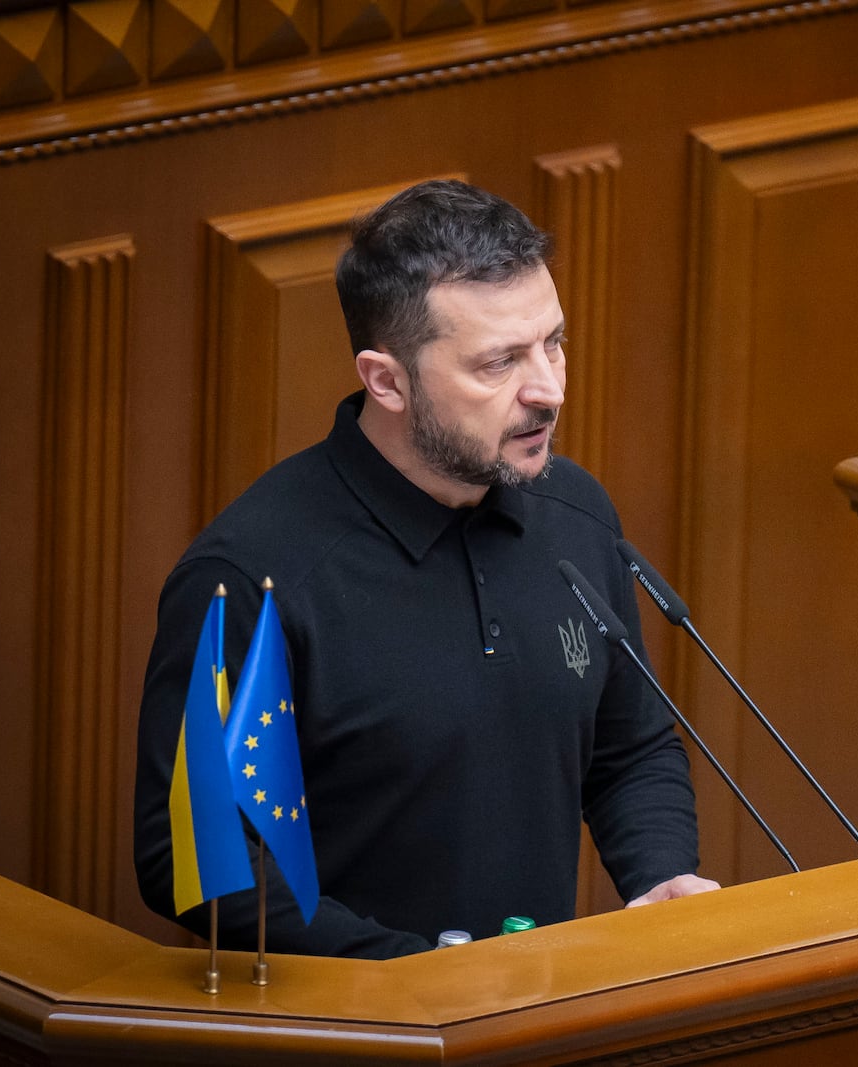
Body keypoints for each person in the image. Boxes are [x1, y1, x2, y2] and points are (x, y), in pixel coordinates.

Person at [134, 179, 718, 958]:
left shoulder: (574, 513)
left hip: (537, 1016)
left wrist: (659, 873)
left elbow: (629, 748)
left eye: (554, 341)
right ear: (388, 379)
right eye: (499, 362)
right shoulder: (250, 581)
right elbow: (199, 863)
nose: (547, 389)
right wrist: (410, 978)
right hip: (350, 1030)